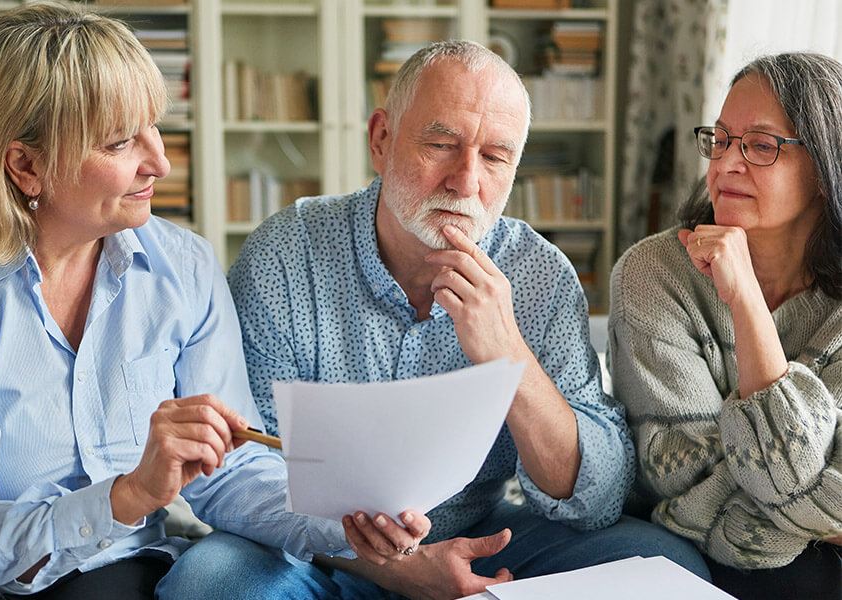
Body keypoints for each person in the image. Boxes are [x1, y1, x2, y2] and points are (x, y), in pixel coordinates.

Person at [0, 3, 430, 598]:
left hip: (130, 572)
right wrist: (128, 497)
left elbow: (233, 473)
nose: (162, 163)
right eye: (121, 142)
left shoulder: (184, 266)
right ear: (26, 165)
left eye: (155, 126)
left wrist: (348, 522)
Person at [197, 40, 710, 599]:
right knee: (212, 579)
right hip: (318, 551)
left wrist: (508, 353)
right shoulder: (287, 253)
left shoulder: (541, 274)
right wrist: (394, 565)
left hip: (482, 535)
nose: (466, 181)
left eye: (494, 157)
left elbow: (599, 495)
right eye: (441, 144)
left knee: (667, 565)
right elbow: (249, 465)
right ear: (381, 139)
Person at [609, 52, 842, 600]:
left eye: (761, 146)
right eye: (719, 139)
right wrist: (743, 299)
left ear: (828, 169)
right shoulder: (654, 274)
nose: (725, 164)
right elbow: (683, 481)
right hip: (713, 561)